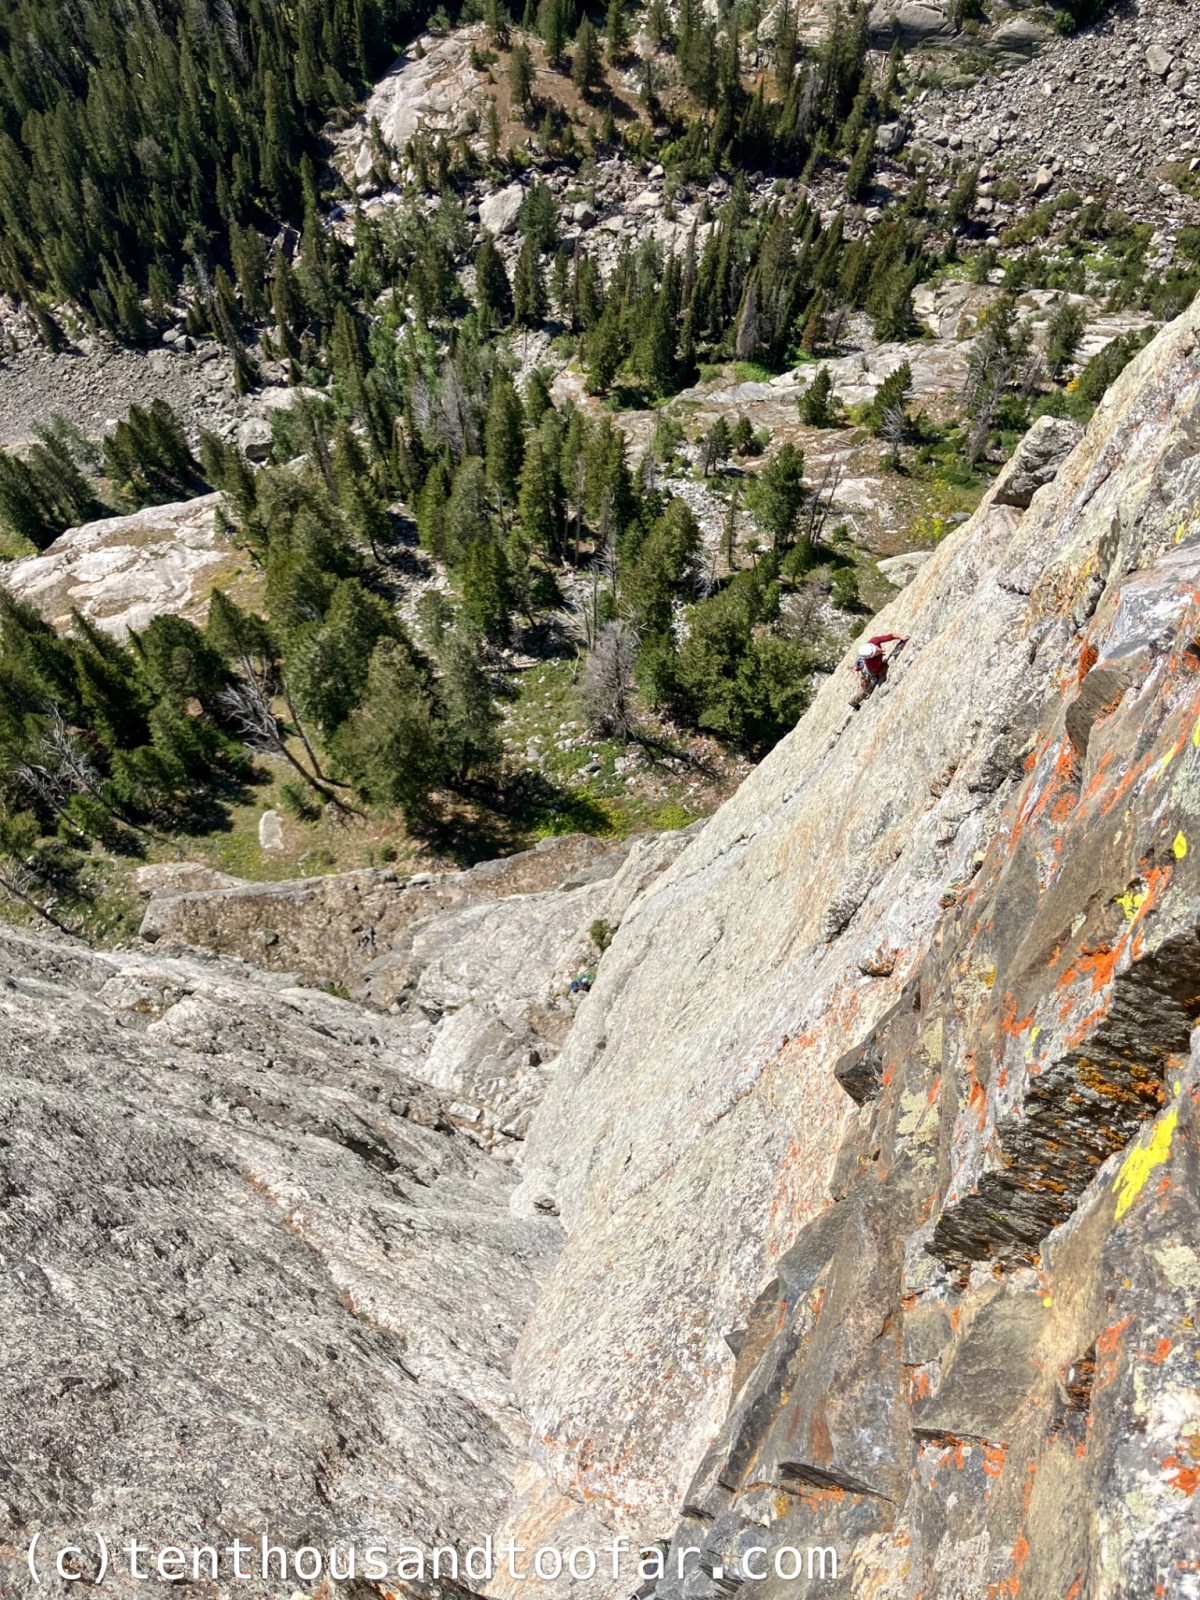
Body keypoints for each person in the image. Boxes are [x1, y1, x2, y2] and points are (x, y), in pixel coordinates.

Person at [852, 633, 907, 707]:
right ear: (871, 656)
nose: (879, 649)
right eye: (876, 652)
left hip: (864, 665)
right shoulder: (871, 663)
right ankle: (853, 702)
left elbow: (891, 636)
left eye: (876, 648)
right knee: (867, 690)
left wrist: (901, 636)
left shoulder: (874, 641)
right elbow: (877, 671)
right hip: (872, 671)